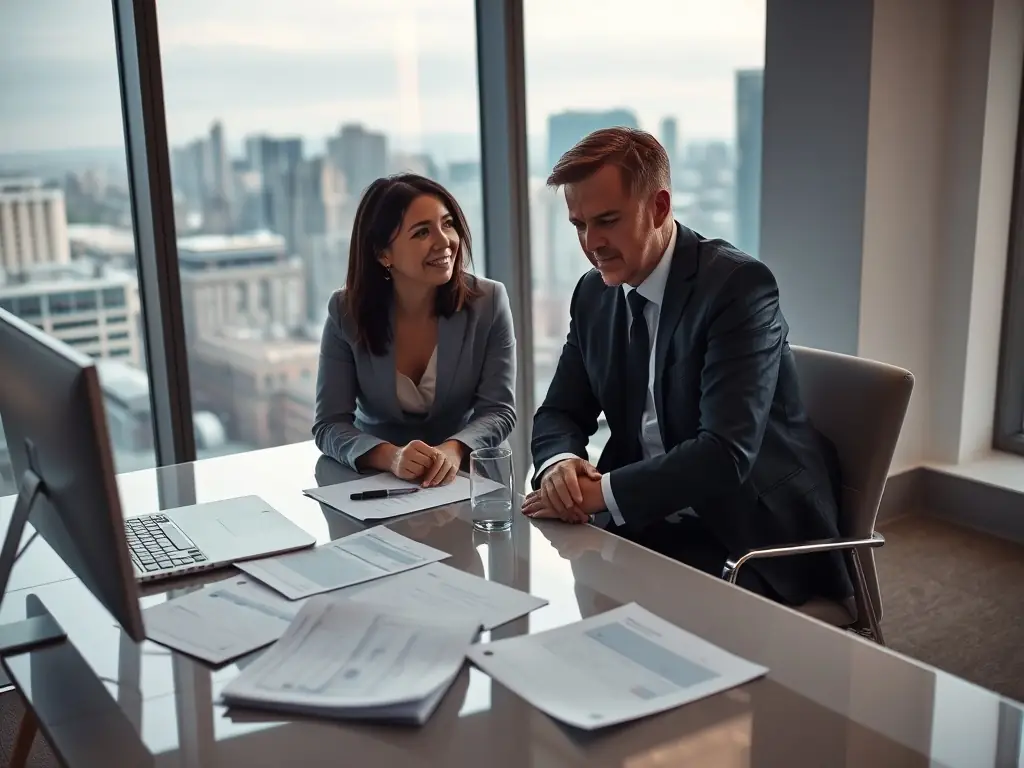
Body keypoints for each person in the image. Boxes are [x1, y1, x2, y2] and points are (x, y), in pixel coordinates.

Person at [523, 127, 852, 607]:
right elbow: (559, 412)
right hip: (646, 518)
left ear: (658, 208)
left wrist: (599, 495)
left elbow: (724, 454)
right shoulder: (594, 293)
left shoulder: (738, 288)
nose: (591, 243)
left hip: (745, 532)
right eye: (578, 225)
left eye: (607, 220)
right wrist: (560, 467)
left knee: (639, 636)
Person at [313, 173, 516, 487]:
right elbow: (329, 425)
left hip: (469, 478)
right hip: (380, 483)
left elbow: (499, 410)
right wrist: (391, 457)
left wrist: (453, 449)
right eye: (422, 232)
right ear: (383, 254)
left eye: (447, 224)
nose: (444, 241)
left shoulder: (488, 302)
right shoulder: (345, 313)